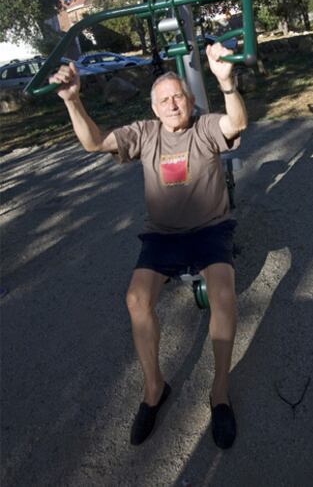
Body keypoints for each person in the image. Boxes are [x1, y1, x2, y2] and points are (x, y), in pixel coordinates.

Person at [49, 43, 248, 449]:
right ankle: (154, 388)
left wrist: (227, 84)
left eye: (178, 97)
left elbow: (237, 123)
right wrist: (73, 101)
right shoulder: (144, 133)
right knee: (136, 300)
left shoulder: (205, 126)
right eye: (164, 100)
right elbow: (94, 142)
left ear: (190, 101)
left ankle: (220, 392)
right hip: (162, 236)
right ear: (153, 108)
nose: (172, 104)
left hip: (209, 230)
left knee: (223, 294)